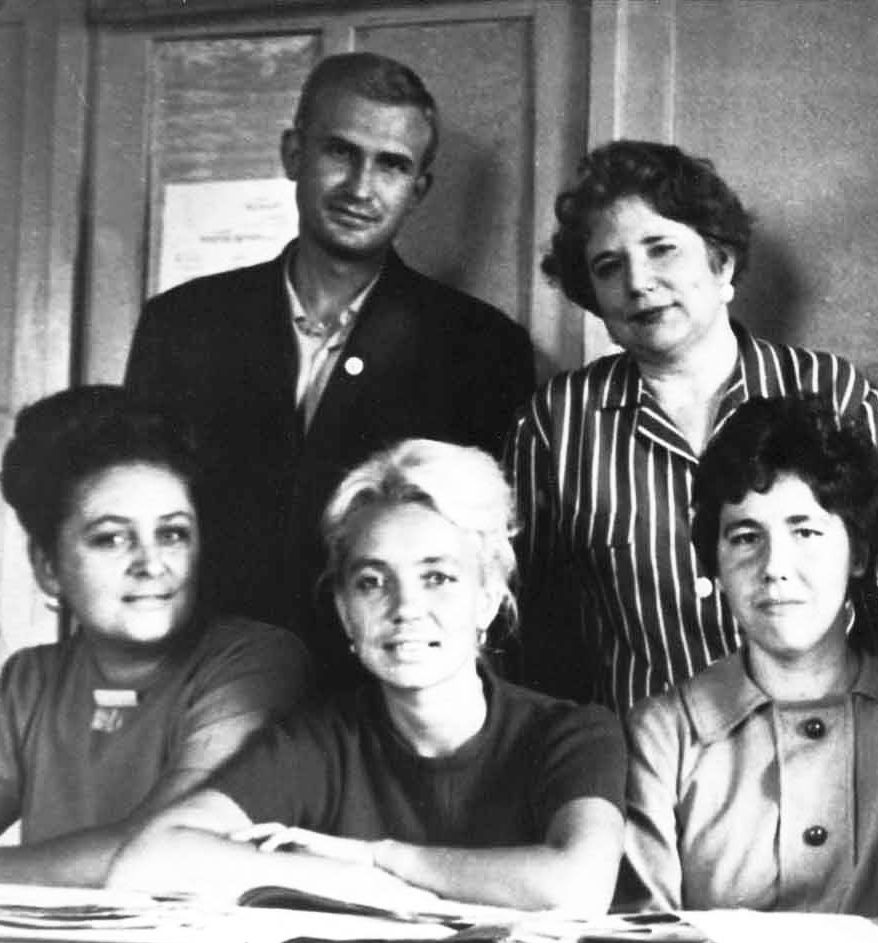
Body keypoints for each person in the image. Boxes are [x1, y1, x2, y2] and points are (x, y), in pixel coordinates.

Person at [125, 52, 535, 690]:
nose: (360, 188)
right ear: (293, 154)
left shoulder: (481, 346)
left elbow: (490, 564)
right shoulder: (182, 323)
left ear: (418, 189)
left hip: (380, 705)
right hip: (203, 688)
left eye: (392, 165)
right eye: (340, 152)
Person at [508, 139, 878, 712]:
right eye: (608, 267)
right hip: (643, 755)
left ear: (721, 263)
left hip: (826, 746)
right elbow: (516, 620)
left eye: (662, 250)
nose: (638, 282)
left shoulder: (834, 393)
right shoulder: (558, 422)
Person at [110, 440, 627, 913]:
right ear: (344, 610)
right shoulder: (320, 741)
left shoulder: (572, 733)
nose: (406, 608)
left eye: (437, 577)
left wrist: (382, 858)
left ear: (488, 598)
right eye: (372, 582)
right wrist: (346, 880)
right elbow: (143, 861)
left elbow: (578, 889)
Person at [625, 397, 878, 926]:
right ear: (715, 565)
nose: (774, 566)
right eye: (745, 537)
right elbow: (640, 934)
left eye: (807, 532)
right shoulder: (661, 739)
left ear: (857, 553)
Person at [0, 385, 309, 886]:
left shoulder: (255, 663)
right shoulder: (29, 680)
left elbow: (150, 851)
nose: (151, 564)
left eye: (172, 534)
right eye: (111, 538)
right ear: (48, 567)